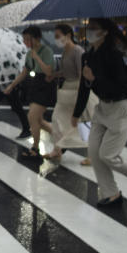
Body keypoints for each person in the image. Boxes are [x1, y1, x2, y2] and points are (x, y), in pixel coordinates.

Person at [72, 18, 127, 207]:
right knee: (94, 152)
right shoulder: (88, 56)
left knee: (108, 155)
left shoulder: (114, 55)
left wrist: (94, 78)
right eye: (89, 28)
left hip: (120, 108)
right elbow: (84, 88)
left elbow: (120, 87)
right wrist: (76, 113)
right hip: (102, 108)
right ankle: (111, 193)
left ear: (105, 32)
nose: (90, 32)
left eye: (94, 29)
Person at [43, 24, 94, 164]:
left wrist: (80, 92)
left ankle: (91, 155)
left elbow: (81, 73)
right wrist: (54, 75)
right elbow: (66, 72)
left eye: (58, 36)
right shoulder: (66, 51)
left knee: (84, 122)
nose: (56, 39)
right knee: (56, 118)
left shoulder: (78, 51)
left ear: (68, 35)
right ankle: (57, 149)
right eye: (56, 37)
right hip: (66, 90)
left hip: (78, 89)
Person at [7, 25, 56, 158]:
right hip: (34, 85)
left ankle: (35, 148)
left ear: (37, 38)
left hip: (45, 85)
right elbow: (24, 72)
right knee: (38, 120)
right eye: (24, 39)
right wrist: (12, 85)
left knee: (32, 117)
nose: (26, 42)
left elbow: (48, 71)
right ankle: (61, 140)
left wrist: (37, 58)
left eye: (28, 39)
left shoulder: (46, 51)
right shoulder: (29, 53)